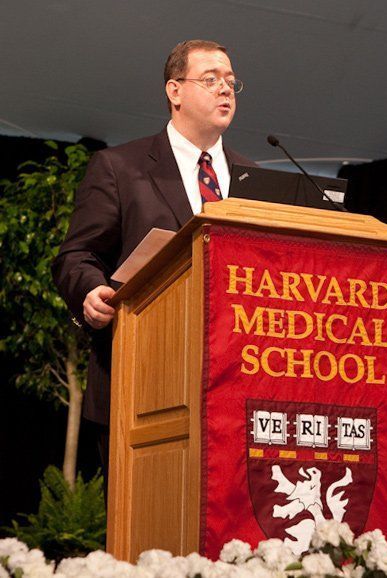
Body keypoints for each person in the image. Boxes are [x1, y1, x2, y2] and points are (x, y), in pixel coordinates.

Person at [52, 40, 257, 478]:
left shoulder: (252, 177)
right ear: (174, 91)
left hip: (237, 385)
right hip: (144, 379)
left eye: (231, 81)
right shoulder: (120, 167)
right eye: (210, 79)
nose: (226, 89)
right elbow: (77, 255)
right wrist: (91, 291)